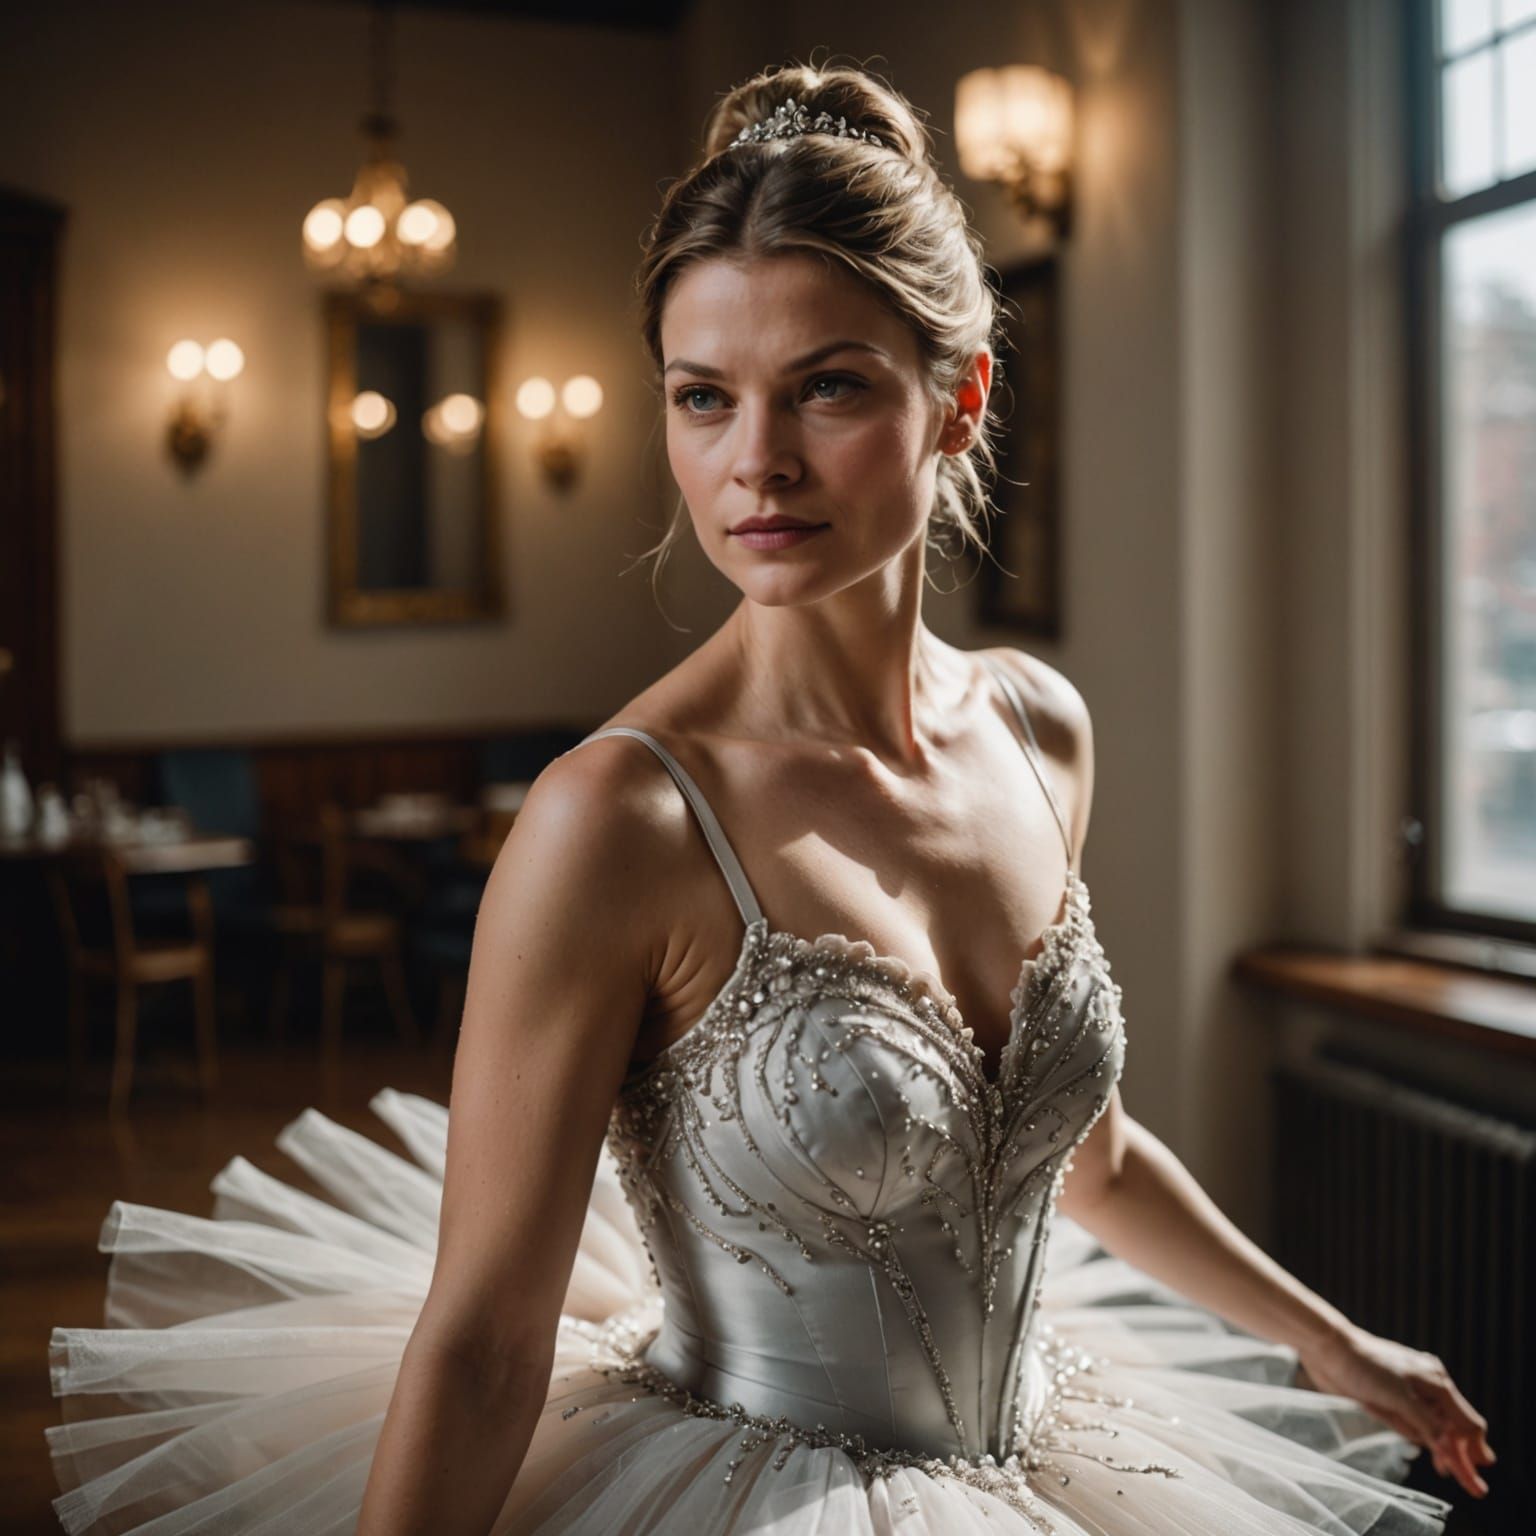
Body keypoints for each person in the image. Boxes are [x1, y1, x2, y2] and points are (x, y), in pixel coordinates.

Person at [46, 60, 1493, 1536]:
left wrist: (1330, 1340)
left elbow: (1095, 1157)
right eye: (704, 397)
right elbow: (485, 1348)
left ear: (958, 399)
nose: (757, 464)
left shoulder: (1041, 731)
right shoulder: (619, 820)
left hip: (1054, 1463)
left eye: (829, 386)